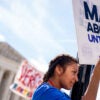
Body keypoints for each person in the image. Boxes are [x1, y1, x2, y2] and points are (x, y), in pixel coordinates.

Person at [32, 54, 100, 100]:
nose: (76, 79)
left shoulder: (57, 93)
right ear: (59, 69)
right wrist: (96, 73)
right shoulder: (48, 92)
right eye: (73, 72)